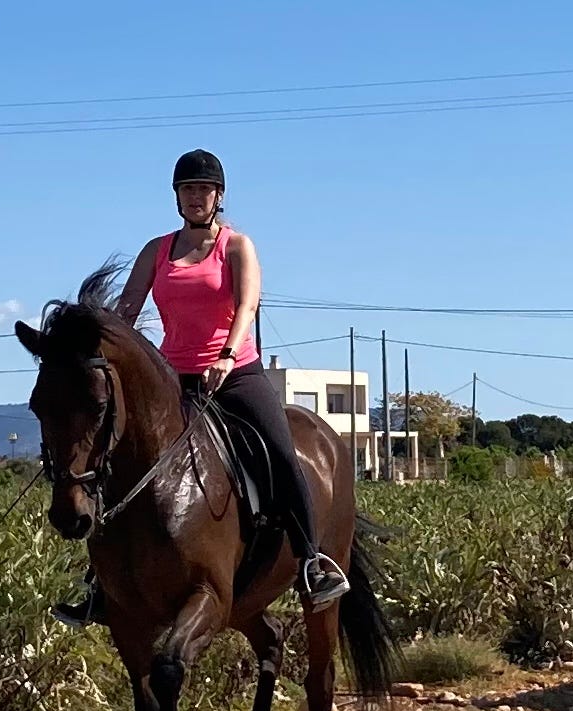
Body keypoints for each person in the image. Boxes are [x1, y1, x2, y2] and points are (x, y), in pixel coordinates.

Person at [52, 149, 351, 627]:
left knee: (281, 453)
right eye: (187, 189)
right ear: (177, 197)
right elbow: (127, 311)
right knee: (118, 462)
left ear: (218, 196)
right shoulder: (157, 250)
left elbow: (247, 306)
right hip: (174, 378)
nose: (196, 196)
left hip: (235, 374)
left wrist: (227, 355)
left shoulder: (236, 246)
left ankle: (312, 562)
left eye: (204, 189)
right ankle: (99, 585)